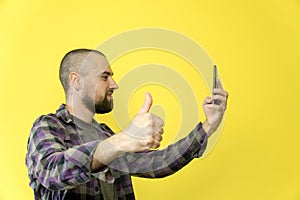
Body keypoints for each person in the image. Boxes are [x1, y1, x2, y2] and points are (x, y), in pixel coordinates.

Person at [26, 48, 228, 200]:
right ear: (76, 81)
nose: (114, 84)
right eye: (105, 77)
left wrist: (208, 126)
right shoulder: (48, 126)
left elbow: (158, 163)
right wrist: (124, 140)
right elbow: (51, 171)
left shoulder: (105, 134)